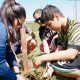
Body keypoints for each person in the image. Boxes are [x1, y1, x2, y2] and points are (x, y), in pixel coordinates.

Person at [33, 5, 80, 79]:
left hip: (76, 55)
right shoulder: (62, 31)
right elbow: (59, 50)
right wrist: (49, 61)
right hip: (75, 56)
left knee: (56, 65)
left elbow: (71, 54)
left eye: (49, 24)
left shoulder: (76, 26)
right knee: (54, 63)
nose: (48, 28)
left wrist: (43, 58)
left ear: (57, 16)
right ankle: (53, 69)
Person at [0, 0, 26, 80]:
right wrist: (15, 78)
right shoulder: (1, 29)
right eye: (19, 23)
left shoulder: (3, 26)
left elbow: (8, 51)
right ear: (12, 16)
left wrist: (17, 73)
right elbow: (1, 67)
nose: (19, 27)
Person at [33, 9, 58, 78]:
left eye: (39, 18)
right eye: (36, 20)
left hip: (61, 41)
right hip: (54, 45)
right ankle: (52, 56)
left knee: (55, 41)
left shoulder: (53, 21)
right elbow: (45, 45)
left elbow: (63, 32)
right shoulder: (41, 30)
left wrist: (54, 37)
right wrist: (47, 61)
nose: (39, 21)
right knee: (42, 46)